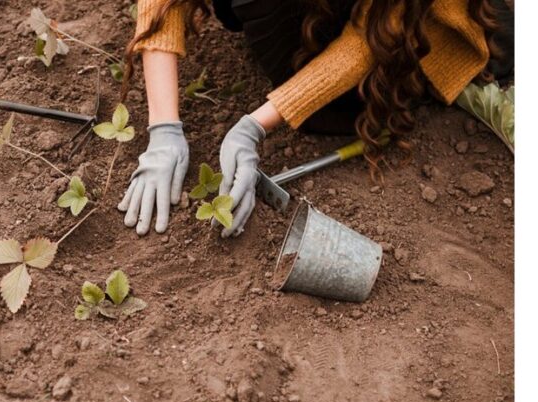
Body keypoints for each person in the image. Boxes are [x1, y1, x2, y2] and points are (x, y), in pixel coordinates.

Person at [117, 0, 513, 237]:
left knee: (490, 43)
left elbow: (371, 39)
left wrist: (257, 123)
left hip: (405, 19)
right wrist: (164, 129)